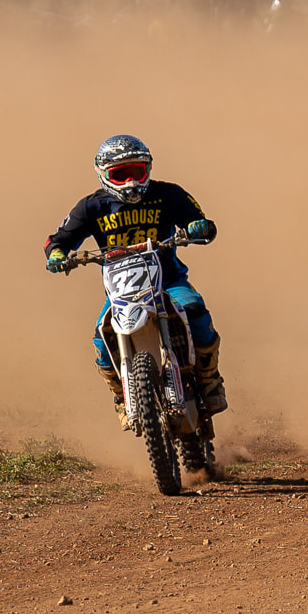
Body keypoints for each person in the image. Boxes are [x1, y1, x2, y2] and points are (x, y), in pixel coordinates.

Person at [44, 134, 226, 423]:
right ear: (104, 174)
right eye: (121, 174)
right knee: (102, 342)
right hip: (121, 292)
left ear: (148, 170)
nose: (130, 182)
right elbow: (58, 240)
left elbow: (199, 220)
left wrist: (198, 226)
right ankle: (122, 395)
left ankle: (209, 380)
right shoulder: (92, 207)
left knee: (195, 311)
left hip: (168, 280)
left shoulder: (169, 194)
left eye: (136, 172)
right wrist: (57, 256)